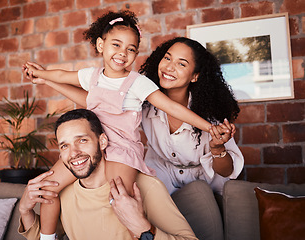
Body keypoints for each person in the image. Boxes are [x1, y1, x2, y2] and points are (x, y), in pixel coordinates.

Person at [23, 11, 218, 239]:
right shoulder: (92, 77)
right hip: (93, 143)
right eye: (116, 44)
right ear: (100, 44)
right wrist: (43, 76)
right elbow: (65, 78)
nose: (122, 53)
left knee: (119, 200)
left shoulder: (137, 83)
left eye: (131, 49)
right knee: (48, 187)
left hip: (121, 148)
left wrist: (209, 128)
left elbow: (172, 107)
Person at [18, 109, 198, 240]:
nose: (74, 153)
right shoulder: (65, 194)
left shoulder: (144, 187)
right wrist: (25, 210)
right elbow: (45, 237)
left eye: (82, 140)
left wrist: (143, 228)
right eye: (65, 146)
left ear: (102, 141)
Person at [139, 37, 244, 195]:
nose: (169, 67)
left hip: (206, 189)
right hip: (161, 182)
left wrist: (217, 148)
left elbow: (227, 171)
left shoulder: (211, 117)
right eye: (167, 58)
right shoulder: (144, 106)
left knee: (198, 193)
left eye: (181, 63)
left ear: (195, 76)